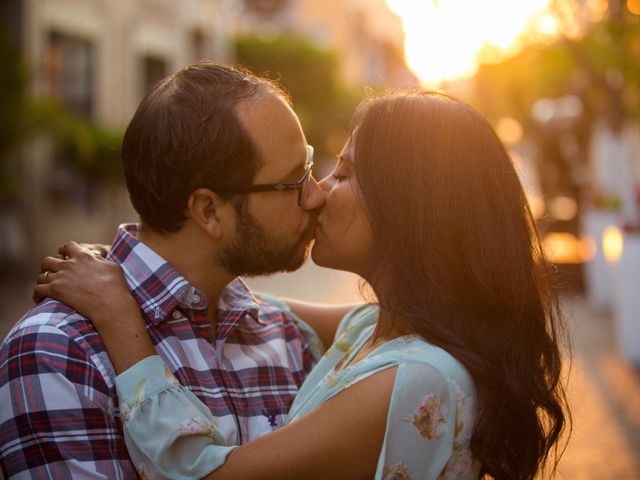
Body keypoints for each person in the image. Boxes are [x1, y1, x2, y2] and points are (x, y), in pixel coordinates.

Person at [34, 90, 571, 479]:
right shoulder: (374, 329)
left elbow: (206, 476)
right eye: (309, 175)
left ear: (409, 209)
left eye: (342, 173)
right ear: (207, 211)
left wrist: (119, 315)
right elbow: (226, 302)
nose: (316, 194)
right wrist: (126, 269)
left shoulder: (414, 378)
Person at [0, 61, 352, 478]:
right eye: (296, 180)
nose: (316, 196)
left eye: (309, 166)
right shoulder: (60, 351)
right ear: (208, 210)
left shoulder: (285, 335)